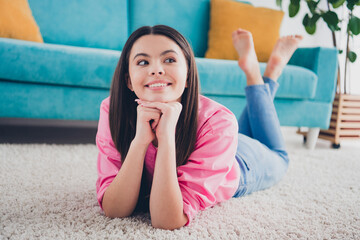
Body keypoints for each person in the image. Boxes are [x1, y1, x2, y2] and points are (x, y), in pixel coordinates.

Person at [95, 25, 303, 230]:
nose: (156, 69)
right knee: (241, 131)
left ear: (187, 75)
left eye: (169, 60)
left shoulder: (219, 121)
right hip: (217, 142)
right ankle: (261, 76)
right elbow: (114, 210)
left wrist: (167, 137)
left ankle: (266, 73)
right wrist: (140, 141)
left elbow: (166, 220)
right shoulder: (112, 110)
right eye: (142, 62)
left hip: (242, 161)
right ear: (128, 81)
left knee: (279, 156)